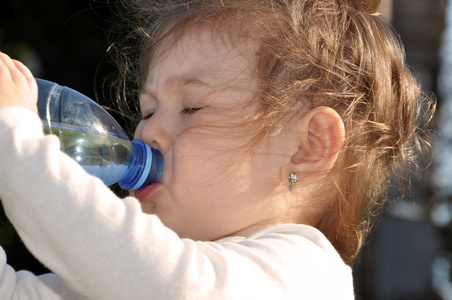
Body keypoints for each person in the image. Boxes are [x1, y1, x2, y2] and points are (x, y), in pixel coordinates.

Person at [0, 0, 434, 299]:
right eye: (148, 110)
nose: (145, 133)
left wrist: (16, 138)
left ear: (308, 146)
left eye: (191, 108)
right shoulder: (122, 279)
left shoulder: (305, 276)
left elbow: (166, 283)